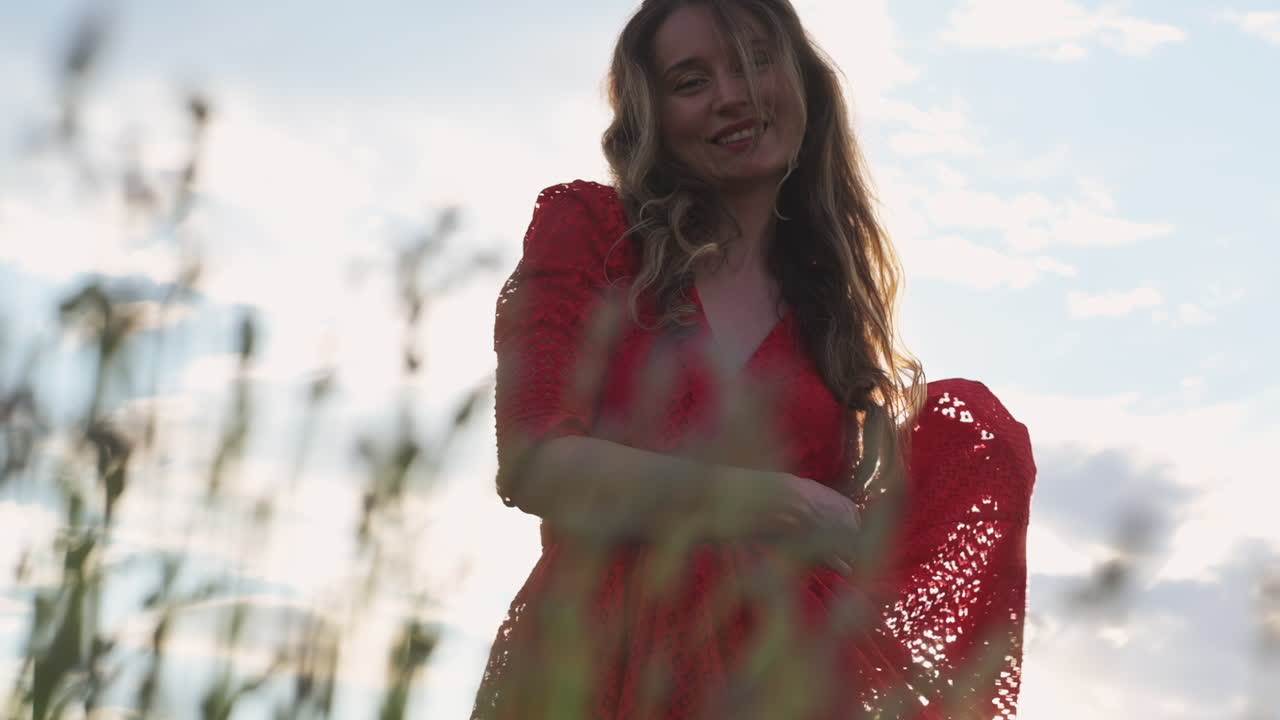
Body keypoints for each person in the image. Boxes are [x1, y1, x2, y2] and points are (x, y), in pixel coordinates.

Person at [471, 0, 1036, 718]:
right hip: (596, 662)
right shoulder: (592, 231)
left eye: (754, 61)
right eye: (690, 81)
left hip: (783, 685)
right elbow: (534, 461)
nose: (732, 96)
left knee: (973, 428)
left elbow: (844, 542)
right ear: (653, 116)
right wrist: (771, 501)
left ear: (801, 78)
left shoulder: (829, 316)